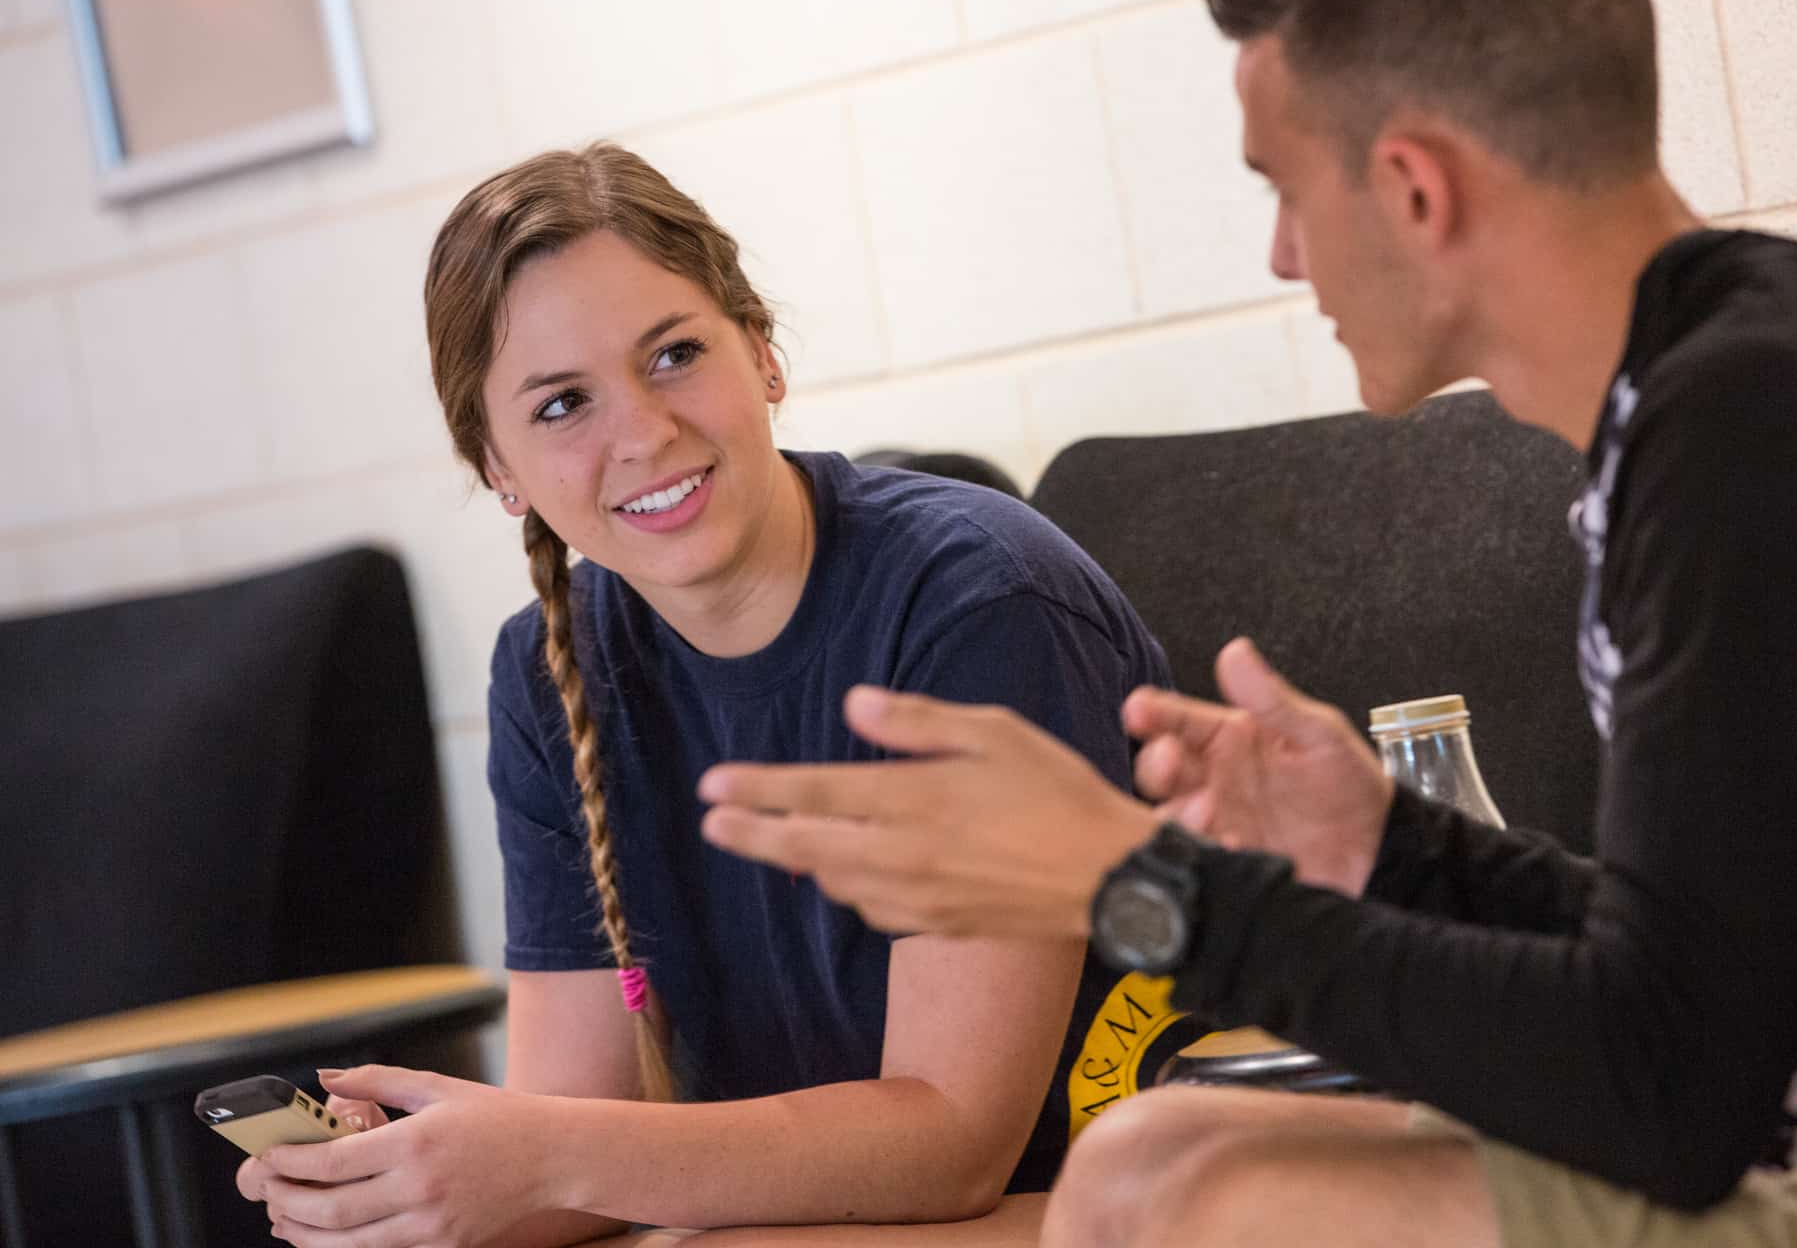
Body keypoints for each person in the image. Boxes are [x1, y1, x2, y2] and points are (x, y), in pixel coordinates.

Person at [695, 0, 1797, 1245]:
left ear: (1417, 191)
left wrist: (1137, 885)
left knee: (1219, 1206)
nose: (1283, 258)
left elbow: (1670, 1086)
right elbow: (1706, 963)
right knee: (1148, 1153)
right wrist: (1389, 847)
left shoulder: (1758, 428)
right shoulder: (1731, 386)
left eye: (1285, 191)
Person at [233, 143, 1173, 1246]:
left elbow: (955, 1139)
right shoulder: (549, 669)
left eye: (675, 353)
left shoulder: (975, 602)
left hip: (1093, 1207)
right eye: (561, 404)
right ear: (496, 466)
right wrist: (411, 1182)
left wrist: (541, 1152)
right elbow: (587, 1132)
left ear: (762, 352)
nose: (641, 430)